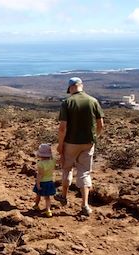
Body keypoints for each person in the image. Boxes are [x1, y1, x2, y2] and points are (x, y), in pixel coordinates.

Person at [55, 77, 104, 216]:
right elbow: (101, 125)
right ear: (81, 85)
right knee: (84, 172)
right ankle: (85, 205)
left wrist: (60, 145)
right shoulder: (93, 101)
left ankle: (64, 196)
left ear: (70, 88)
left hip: (70, 142)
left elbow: (62, 128)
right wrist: (95, 138)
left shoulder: (67, 102)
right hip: (88, 142)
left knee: (67, 168)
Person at [33, 143, 57, 217]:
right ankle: (48, 210)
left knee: (38, 194)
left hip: (42, 182)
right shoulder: (53, 161)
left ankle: (36, 205)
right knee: (47, 197)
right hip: (50, 181)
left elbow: (40, 174)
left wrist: (38, 183)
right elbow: (53, 157)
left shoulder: (40, 163)